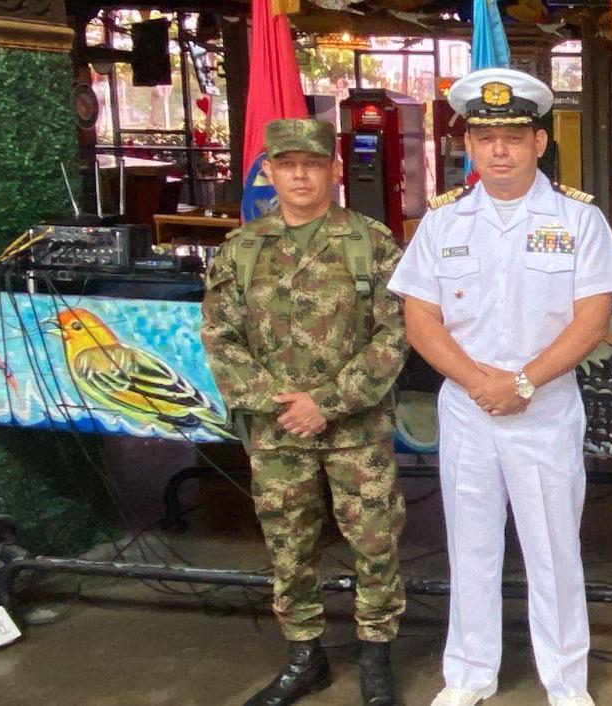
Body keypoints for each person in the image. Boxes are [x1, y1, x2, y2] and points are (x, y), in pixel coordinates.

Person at [387, 67, 612, 706]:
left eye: (514, 135)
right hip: (469, 410)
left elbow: (594, 317)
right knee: (469, 546)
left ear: (539, 143)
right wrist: (478, 381)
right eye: (485, 134)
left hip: (544, 407)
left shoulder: (578, 219)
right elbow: (420, 317)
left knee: (554, 552)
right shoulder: (443, 222)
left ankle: (565, 680)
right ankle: (468, 674)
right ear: (468, 143)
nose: (499, 148)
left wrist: (523, 380)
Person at [201, 118, 408, 706]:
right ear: (267, 171)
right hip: (277, 433)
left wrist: (327, 403)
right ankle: (305, 654)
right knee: (288, 545)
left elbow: (396, 335)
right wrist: (281, 405)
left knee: (374, 542)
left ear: (334, 171)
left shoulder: (370, 242)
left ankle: (376, 655)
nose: (299, 174)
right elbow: (219, 338)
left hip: (356, 430)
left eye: (312, 164)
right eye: (287, 164)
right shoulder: (241, 250)